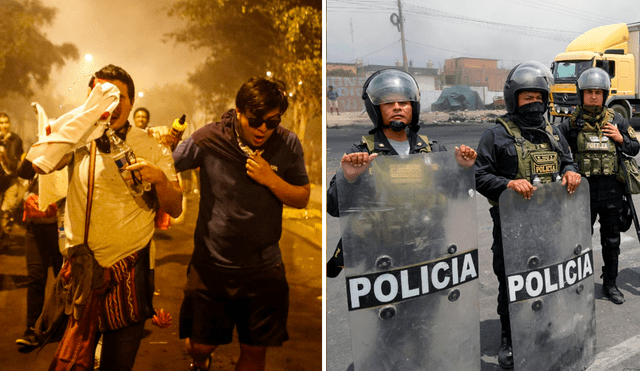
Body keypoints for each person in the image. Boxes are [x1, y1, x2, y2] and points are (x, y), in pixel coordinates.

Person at [28, 64, 182, 370]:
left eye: (119, 96)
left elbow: (175, 207)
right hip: (82, 271)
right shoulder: (76, 137)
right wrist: (82, 121)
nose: (113, 103)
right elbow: (39, 163)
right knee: (76, 360)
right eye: (102, 94)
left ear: (131, 102)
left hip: (130, 270)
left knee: (117, 364)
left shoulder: (150, 143)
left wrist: (160, 180)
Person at [173, 77, 310, 371]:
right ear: (238, 112)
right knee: (200, 344)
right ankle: (200, 359)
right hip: (211, 266)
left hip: (263, 269)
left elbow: (302, 197)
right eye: (256, 120)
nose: (263, 129)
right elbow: (168, 162)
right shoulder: (209, 140)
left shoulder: (287, 144)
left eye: (272, 122)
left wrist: (271, 179)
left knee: (255, 352)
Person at [474, 61, 582, 370]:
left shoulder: (552, 132)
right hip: (511, 227)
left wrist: (571, 172)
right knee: (512, 284)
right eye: (527, 97)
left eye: (539, 97)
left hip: (550, 224)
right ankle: (510, 337)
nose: (534, 103)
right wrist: (507, 184)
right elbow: (480, 176)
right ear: (513, 99)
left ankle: (545, 329)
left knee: (548, 280)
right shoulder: (495, 136)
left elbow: (567, 161)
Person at [326, 68, 477, 278]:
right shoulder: (360, 154)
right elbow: (333, 208)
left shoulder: (434, 151)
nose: (397, 107)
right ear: (376, 109)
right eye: (388, 103)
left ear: (413, 107)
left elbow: (459, 196)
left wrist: (463, 170)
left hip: (429, 253)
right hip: (380, 258)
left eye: (404, 102)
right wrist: (349, 178)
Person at [557, 67, 640, 305]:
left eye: (598, 92)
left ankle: (610, 284)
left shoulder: (617, 120)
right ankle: (578, 284)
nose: (594, 96)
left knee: (611, 240)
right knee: (579, 240)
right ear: (581, 94)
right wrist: (568, 169)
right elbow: (557, 150)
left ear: (605, 94)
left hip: (612, 190)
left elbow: (634, 148)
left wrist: (620, 138)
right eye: (589, 92)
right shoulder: (571, 123)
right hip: (581, 193)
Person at [14, 162, 63, 347]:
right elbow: (24, 172)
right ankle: (31, 330)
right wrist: (36, 152)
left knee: (63, 279)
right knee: (35, 278)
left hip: (59, 227)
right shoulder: (39, 149)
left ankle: (63, 327)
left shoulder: (68, 149)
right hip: (34, 228)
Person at [0, 113, 24, 236]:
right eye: (1, 123)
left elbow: (21, 154)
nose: (4, 125)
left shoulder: (16, 139)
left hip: (11, 177)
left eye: (6, 122)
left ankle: (6, 230)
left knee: (8, 209)